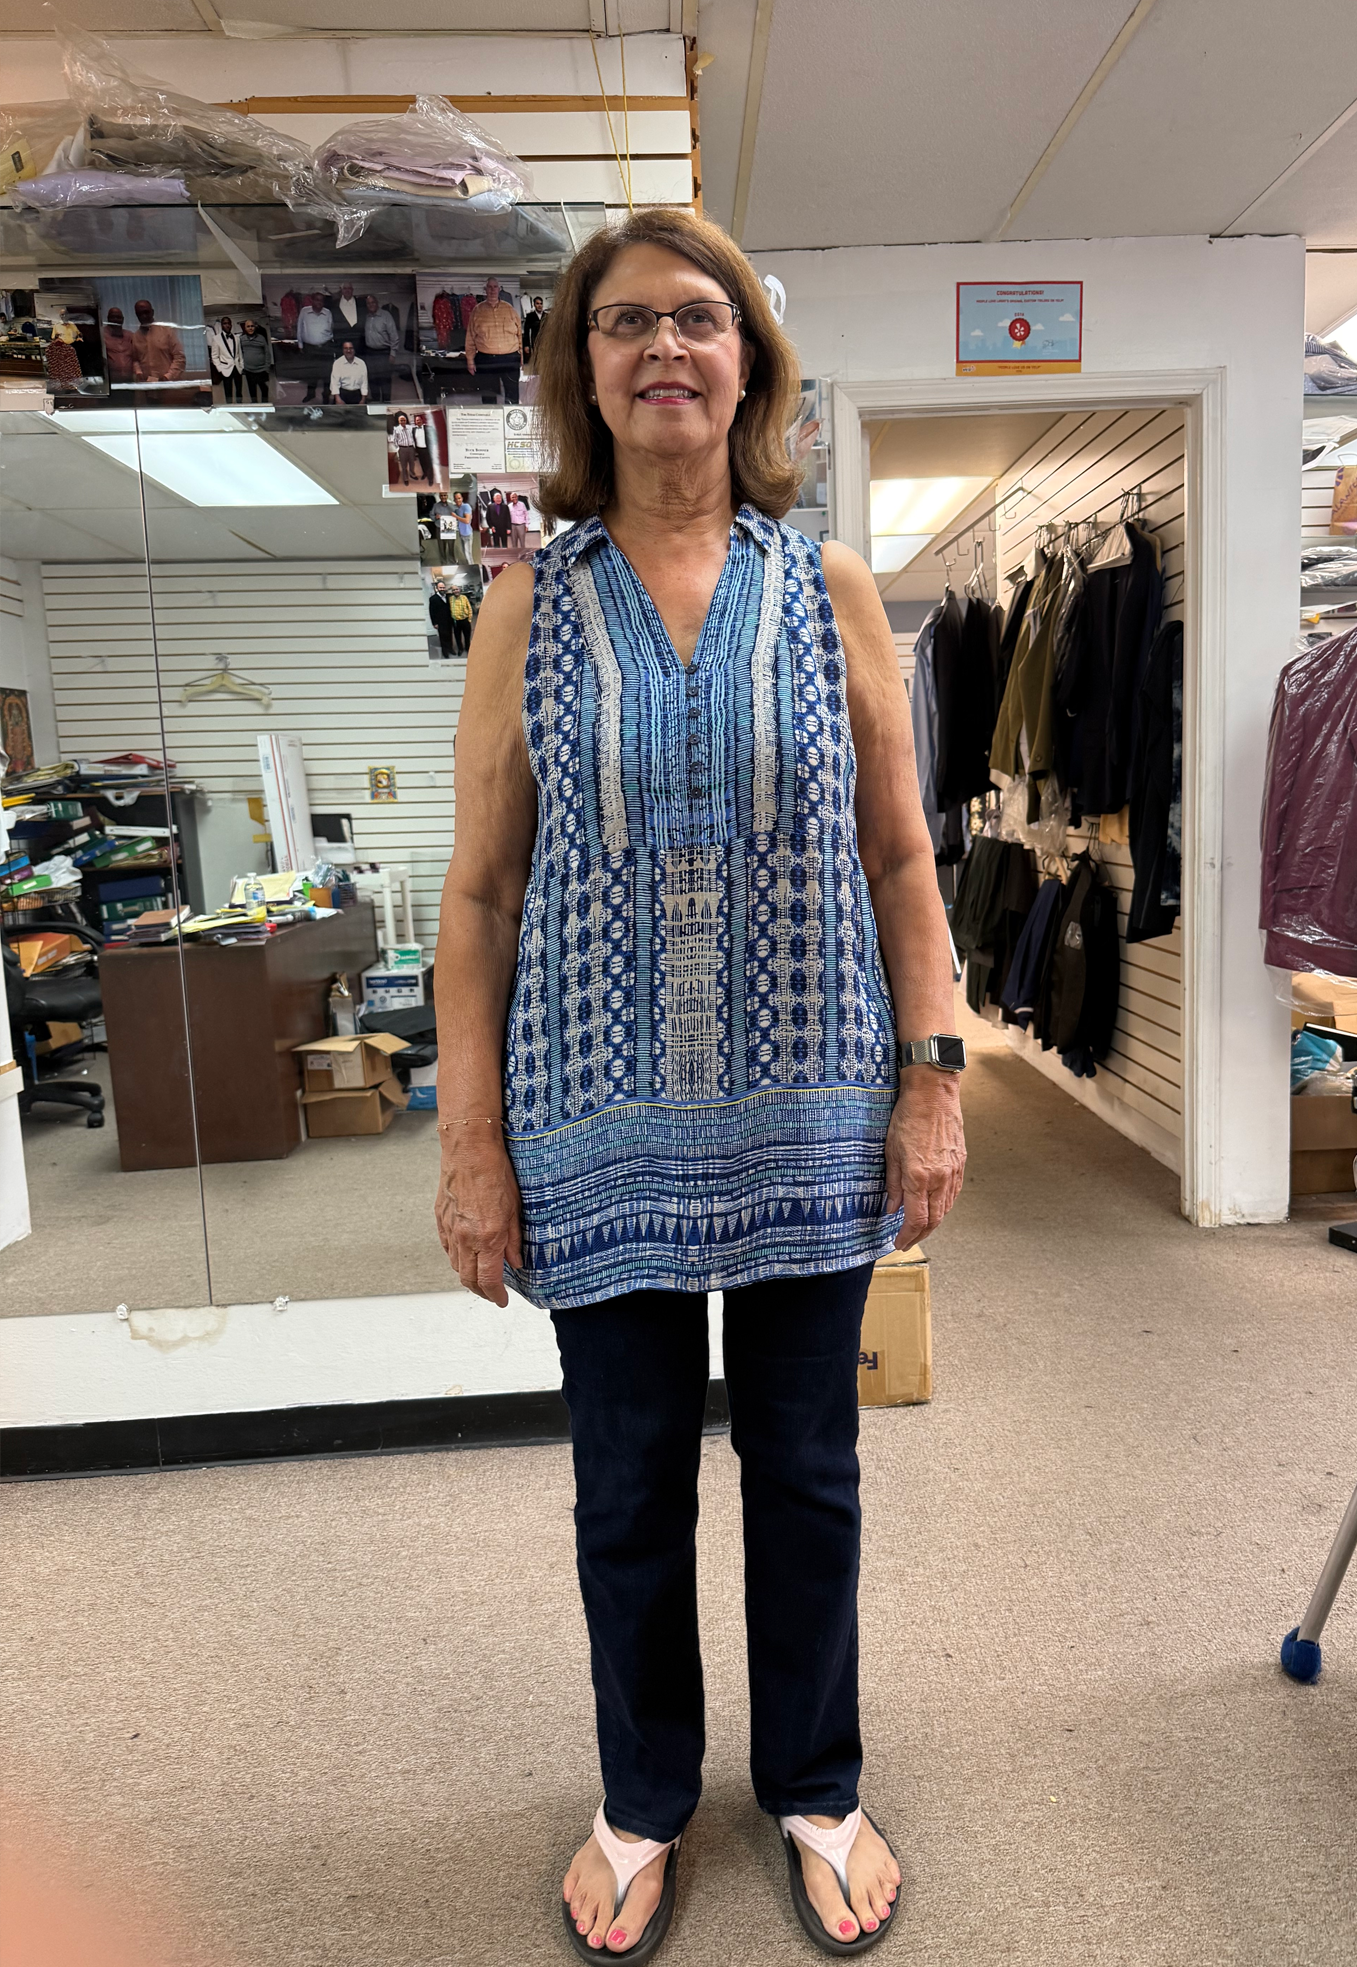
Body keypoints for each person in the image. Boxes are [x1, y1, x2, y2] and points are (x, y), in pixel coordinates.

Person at [434, 207, 966, 1961]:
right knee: (627, 1477)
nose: (665, 346)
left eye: (700, 320)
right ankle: (643, 1792)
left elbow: (900, 857)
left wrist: (932, 1077)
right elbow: (480, 895)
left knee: (808, 1466)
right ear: (583, 371)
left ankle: (814, 1781)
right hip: (592, 1117)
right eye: (624, 323)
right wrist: (469, 1146)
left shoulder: (823, 591)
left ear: (750, 363)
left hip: (811, 1098)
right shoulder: (529, 600)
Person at [464, 275, 523, 404]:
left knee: (512, 395)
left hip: (510, 358)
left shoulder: (509, 309)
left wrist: (521, 356)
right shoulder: (477, 311)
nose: (492, 290)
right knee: (488, 395)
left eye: (495, 287)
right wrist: (470, 360)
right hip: (486, 359)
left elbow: (519, 334)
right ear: (485, 289)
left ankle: (510, 422)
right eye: (489, 287)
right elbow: (470, 337)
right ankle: (491, 422)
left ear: (499, 289)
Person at [130, 299, 185, 382]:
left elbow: (179, 358)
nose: (143, 316)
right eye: (140, 314)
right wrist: (139, 373)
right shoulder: (135, 337)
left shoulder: (167, 331)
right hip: (147, 387)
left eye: (146, 312)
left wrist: (168, 377)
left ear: (152, 312)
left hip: (169, 385)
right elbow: (135, 360)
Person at [362, 291, 401, 404]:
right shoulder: (367, 317)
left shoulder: (386, 316)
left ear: (377, 303)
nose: (371, 305)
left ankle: (386, 400)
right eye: (368, 303)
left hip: (383, 352)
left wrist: (392, 353)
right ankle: (375, 398)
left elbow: (394, 336)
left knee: (385, 378)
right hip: (370, 352)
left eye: (373, 302)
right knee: (372, 377)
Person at [297, 292, 334, 402]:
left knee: (327, 373)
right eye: (317, 299)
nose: (319, 302)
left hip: (325, 347)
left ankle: (326, 395)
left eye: (321, 300)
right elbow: (299, 328)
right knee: (311, 373)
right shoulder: (304, 311)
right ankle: (311, 394)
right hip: (310, 348)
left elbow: (332, 328)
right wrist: (300, 344)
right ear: (312, 300)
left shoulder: (328, 313)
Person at [207, 314, 243, 403]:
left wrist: (241, 365)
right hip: (225, 369)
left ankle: (241, 407)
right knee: (228, 390)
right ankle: (230, 407)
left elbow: (240, 353)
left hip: (237, 368)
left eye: (228, 323)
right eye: (224, 323)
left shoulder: (236, 338)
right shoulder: (216, 338)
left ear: (231, 325)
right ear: (221, 325)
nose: (227, 325)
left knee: (239, 390)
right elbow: (214, 356)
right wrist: (220, 368)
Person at [238, 317, 271, 402]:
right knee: (252, 391)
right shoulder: (241, 339)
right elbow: (239, 353)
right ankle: (255, 406)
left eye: (252, 326)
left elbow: (267, 352)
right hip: (249, 370)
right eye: (248, 326)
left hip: (261, 370)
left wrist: (267, 367)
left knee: (264, 389)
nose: (250, 328)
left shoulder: (261, 338)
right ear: (245, 328)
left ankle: (264, 406)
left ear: (255, 327)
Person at [101, 306, 135, 385]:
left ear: (123, 319)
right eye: (113, 317)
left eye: (118, 317)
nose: (115, 320)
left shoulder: (130, 335)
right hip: (109, 383)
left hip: (129, 382)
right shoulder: (101, 335)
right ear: (108, 319)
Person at [330, 341, 369, 405]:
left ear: (354, 350)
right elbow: (335, 383)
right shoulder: (337, 363)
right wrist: (338, 399)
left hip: (357, 394)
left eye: (351, 348)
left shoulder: (361, 363)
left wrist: (363, 399)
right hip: (343, 394)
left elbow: (364, 383)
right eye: (346, 348)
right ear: (343, 350)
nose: (348, 351)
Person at [391, 412, 420, 485]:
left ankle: (412, 474)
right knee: (403, 465)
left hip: (411, 448)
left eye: (404, 420)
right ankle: (405, 478)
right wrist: (398, 448)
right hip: (402, 449)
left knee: (412, 463)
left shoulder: (410, 427)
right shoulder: (396, 429)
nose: (403, 422)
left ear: (406, 420)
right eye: (401, 420)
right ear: (398, 421)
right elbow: (394, 440)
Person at [428, 579, 455, 658]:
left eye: (443, 587)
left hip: (449, 621)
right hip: (440, 622)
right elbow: (431, 612)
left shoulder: (448, 596)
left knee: (450, 635)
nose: (442, 589)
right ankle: (445, 651)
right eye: (440, 588)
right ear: (437, 588)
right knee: (443, 637)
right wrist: (434, 623)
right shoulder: (433, 599)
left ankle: (450, 649)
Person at [453, 490, 476, 566]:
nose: (458, 500)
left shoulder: (466, 506)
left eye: (459, 498)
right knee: (464, 553)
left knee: (468, 554)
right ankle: (469, 568)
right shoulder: (456, 509)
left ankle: (473, 569)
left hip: (467, 534)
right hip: (461, 534)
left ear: (462, 498)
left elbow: (467, 520)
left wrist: (456, 516)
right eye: (456, 499)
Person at [449, 585, 474, 654]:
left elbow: (469, 608)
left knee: (467, 636)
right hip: (456, 621)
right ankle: (460, 649)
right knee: (457, 637)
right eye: (454, 590)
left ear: (459, 590)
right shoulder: (450, 599)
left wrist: (469, 619)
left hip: (465, 620)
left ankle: (467, 647)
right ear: (452, 591)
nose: (455, 591)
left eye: (456, 589)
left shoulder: (464, 597)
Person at [522, 293, 547, 364]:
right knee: (536, 359)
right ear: (534, 304)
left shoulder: (546, 316)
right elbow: (526, 331)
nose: (539, 305)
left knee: (545, 359)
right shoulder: (530, 316)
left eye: (541, 304)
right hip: (535, 340)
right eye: (537, 303)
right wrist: (526, 345)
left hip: (546, 341)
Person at [508, 491, 530, 558]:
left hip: (521, 525)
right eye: (512, 497)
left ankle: (524, 555)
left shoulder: (522, 504)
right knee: (514, 543)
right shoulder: (509, 506)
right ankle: (515, 556)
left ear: (517, 497)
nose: (514, 498)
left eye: (515, 497)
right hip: (512, 526)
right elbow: (507, 517)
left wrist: (527, 525)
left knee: (522, 543)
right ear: (510, 498)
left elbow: (526, 515)